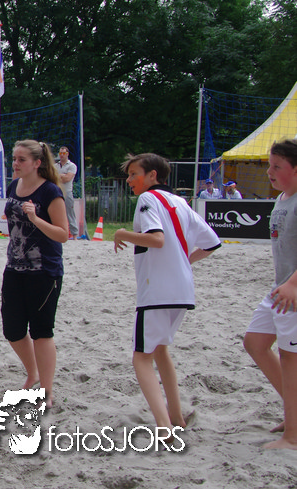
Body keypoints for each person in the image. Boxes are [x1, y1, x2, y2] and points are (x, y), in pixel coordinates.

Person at [114, 153, 220, 432]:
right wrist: (184, 262)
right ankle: (176, 417)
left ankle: (164, 427)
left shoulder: (147, 199)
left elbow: (156, 239)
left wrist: (122, 233)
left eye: (134, 174)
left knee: (141, 358)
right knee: (160, 350)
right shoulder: (180, 202)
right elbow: (212, 243)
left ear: (152, 175)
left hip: (157, 291)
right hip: (183, 290)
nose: (129, 180)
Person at [2, 141, 69, 410]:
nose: (15, 164)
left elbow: (63, 234)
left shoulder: (50, 191)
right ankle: (33, 373)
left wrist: (36, 219)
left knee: (41, 332)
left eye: (22, 159)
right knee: (12, 329)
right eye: (14, 158)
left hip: (44, 271)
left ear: (37, 163)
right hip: (14, 268)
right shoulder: (13, 187)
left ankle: (46, 391)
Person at [243, 139, 297, 449]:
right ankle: (293, 413)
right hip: (281, 288)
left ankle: (293, 436)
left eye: (277, 166)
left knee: (291, 358)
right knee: (255, 342)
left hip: (293, 291)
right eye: (269, 165)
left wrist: (293, 284)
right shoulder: (281, 200)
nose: (269, 172)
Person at [56, 146, 78, 240]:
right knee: (56, 213)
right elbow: (51, 177)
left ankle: (75, 235)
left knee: (70, 213)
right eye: (60, 153)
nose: (62, 155)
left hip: (67, 192)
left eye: (64, 153)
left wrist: (58, 176)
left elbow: (67, 178)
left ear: (67, 154)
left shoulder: (72, 166)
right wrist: (62, 176)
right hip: (56, 191)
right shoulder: (55, 166)